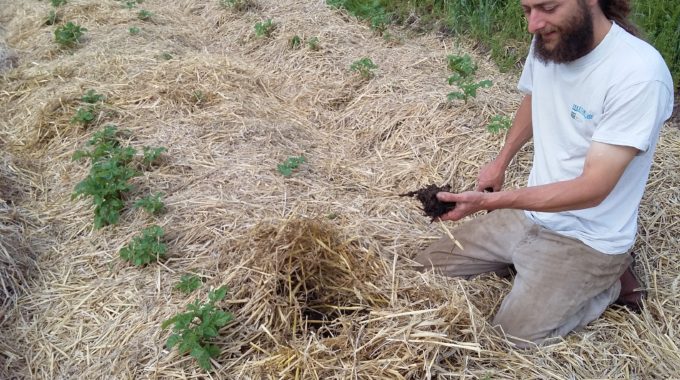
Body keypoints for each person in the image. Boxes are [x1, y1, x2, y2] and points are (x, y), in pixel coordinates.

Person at [415, 0, 674, 347]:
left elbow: (593, 188)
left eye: (547, 7)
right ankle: (528, 267)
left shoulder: (639, 74)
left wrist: (493, 201)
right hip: (530, 214)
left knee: (508, 339)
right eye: (526, 10)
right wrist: (501, 161)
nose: (533, 24)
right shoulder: (552, 40)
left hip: (586, 240)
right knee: (422, 269)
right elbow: (536, 97)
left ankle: (607, 285)